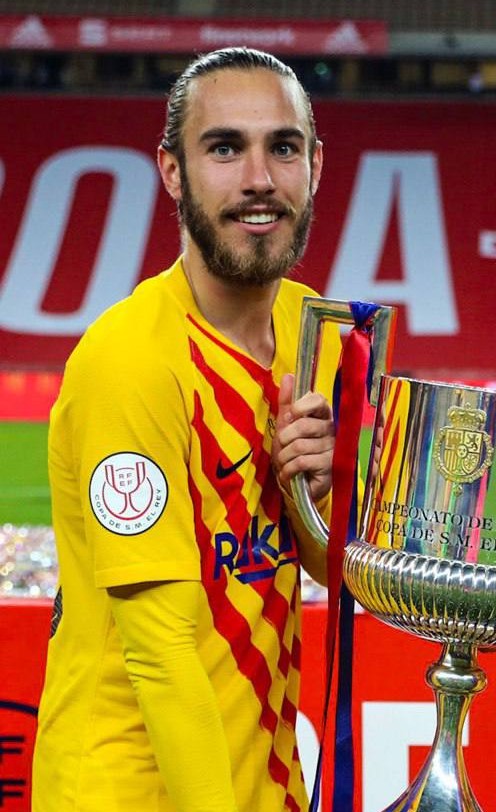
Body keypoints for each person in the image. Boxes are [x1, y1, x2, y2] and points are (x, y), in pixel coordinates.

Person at [33, 47, 338, 812]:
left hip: (260, 777)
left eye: (283, 147)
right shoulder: (129, 361)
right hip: (129, 789)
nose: (259, 179)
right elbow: (162, 653)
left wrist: (320, 496)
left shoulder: (321, 334)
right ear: (172, 171)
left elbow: (332, 570)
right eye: (225, 147)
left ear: (316, 164)